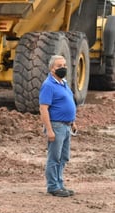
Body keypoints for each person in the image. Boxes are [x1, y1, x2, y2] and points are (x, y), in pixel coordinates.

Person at [39, 55, 77, 198]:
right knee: (54, 157)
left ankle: (60, 184)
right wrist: (49, 130)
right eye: (59, 66)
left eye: (64, 65)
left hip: (66, 126)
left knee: (64, 157)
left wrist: (73, 122)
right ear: (51, 68)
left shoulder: (64, 83)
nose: (63, 68)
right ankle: (53, 186)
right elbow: (43, 109)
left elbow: (69, 103)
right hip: (56, 126)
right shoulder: (48, 85)